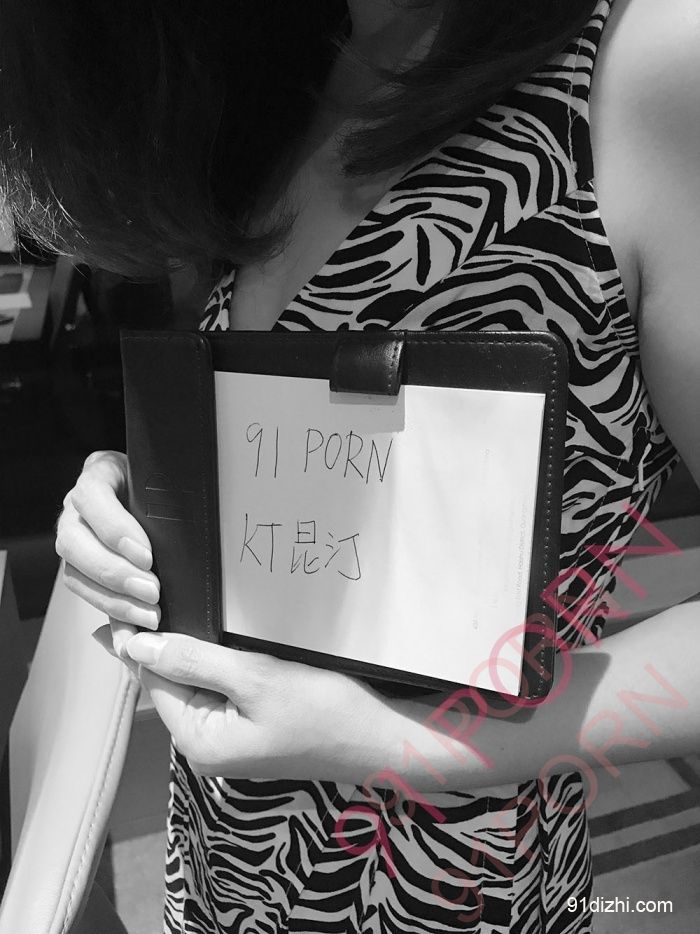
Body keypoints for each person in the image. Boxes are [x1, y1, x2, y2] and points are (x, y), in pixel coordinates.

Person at [3, 0, 699, 930]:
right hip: (220, 856)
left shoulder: (650, 66)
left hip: (445, 882)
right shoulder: (277, 78)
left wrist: (410, 744)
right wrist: (139, 492)